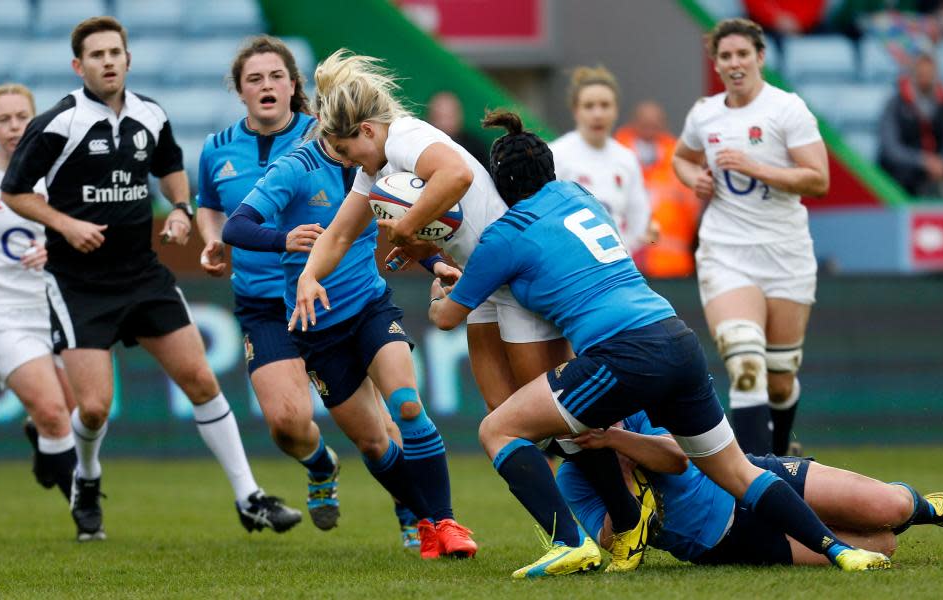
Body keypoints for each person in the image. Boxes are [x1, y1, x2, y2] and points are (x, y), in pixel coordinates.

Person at [426, 108, 890, 578]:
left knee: (497, 428)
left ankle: (573, 540)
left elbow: (448, 318)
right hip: (674, 335)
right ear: (549, 170)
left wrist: (437, 277)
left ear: (500, 184)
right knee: (737, 472)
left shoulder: (504, 235)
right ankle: (839, 551)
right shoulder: (578, 195)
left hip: (622, 353)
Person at [294, 49, 655, 568]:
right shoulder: (375, 166)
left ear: (368, 131)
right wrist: (309, 277)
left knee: (553, 416)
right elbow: (339, 233)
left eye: (347, 149)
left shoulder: (406, 137)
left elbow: (456, 177)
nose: (347, 161)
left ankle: (624, 518)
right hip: (483, 281)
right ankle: (572, 538)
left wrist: (406, 227)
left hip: (515, 274)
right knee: (503, 415)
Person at [0, 16, 300, 541]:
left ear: (129, 59)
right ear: (78, 65)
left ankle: (249, 497)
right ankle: (87, 481)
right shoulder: (59, 123)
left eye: (115, 52)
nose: (108, 61)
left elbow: (170, 166)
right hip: (78, 283)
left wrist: (181, 207)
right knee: (92, 408)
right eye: (97, 55)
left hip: (143, 274)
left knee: (202, 382)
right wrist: (66, 224)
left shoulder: (149, 115)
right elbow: (15, 191)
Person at [199, 36, 428, 549]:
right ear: (239, 91)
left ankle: (414, 511)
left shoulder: (329, 136)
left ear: (293, 85)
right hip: (264, 302)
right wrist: (210, 240)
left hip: (339, 296)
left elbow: (384, 195)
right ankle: (321, 465)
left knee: (383, 425)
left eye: (276, 76)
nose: (266, 85)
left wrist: (432, 257)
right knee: (285, 422)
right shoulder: (216, 149)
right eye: (253, 78)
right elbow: (213, 208)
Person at [222, 132, 478, 560]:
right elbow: (236, 226)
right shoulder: (295, 168)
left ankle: (443, 521)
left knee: (407, 406)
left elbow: (398, 221)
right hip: (318, 329)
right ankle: (421, 515)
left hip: (370, 307)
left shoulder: (378, 161)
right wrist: (282, 239)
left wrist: (436, 263)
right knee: (375, 444)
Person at [672, 18, 830, 457]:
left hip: (785, 253)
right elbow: (681, 158)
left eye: (743, 54)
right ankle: (756, 485)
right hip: (726, 251)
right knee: (744, 361)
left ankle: (781, 456)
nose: (735, 63)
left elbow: (818, 180)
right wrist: (695, 179)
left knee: (780, 378)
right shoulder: (706, 113)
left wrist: (754, 166)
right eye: (725, 56)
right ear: (716, 63)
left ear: (760, 57)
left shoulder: (787, 109)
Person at [557, 410, 943, 566]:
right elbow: (616, 540)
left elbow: (678, 457)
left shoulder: (631, 416)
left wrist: (618, 441)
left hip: (748, 477)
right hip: (728, 542)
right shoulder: (571, 479)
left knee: (888, 507)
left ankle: (916, 504)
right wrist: (623, 481)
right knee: (881, 547)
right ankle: (883, 521)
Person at [0, 83, 77, 502]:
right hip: (5, 312)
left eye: (22, 118)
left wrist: (56, 246)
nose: (14, 127)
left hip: (61, 305)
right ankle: (86, 511)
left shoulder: (60, 172)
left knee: (78, 415)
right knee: (54, 412)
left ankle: (43, 438)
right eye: (4, 119)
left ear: (34, 121)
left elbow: (96, 229)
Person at [550, 66, 652, 257]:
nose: (598, 114)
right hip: (570, 265)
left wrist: (622, 250)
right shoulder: (555, 154)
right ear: (575, 110)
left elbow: (639, 217)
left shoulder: (627, 158)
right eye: (589, 106)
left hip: (616, 268)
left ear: (616, 109)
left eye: (605, 105)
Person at [614, 100, 702, 278]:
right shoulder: (615, 156)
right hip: (624, 266)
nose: (650, 128)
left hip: (672, 265)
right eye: (645, 122)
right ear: (634, 123)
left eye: (655, 123)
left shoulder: (678, 160)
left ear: (663, 125)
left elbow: (695, 209)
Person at [878, 52, 943, 197]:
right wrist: (923, 162)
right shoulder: (895, 104)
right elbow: (890, 147)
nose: (926, 77)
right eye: (921, 72)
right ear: (913, 73)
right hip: (908, 172)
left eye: (930, 73)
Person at [426, 91, 489, 168]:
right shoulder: (422, 143)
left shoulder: (475, 148)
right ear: (429, 118)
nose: (444, 123)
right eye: (438, 117)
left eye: (449, 117)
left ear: (459, 117)